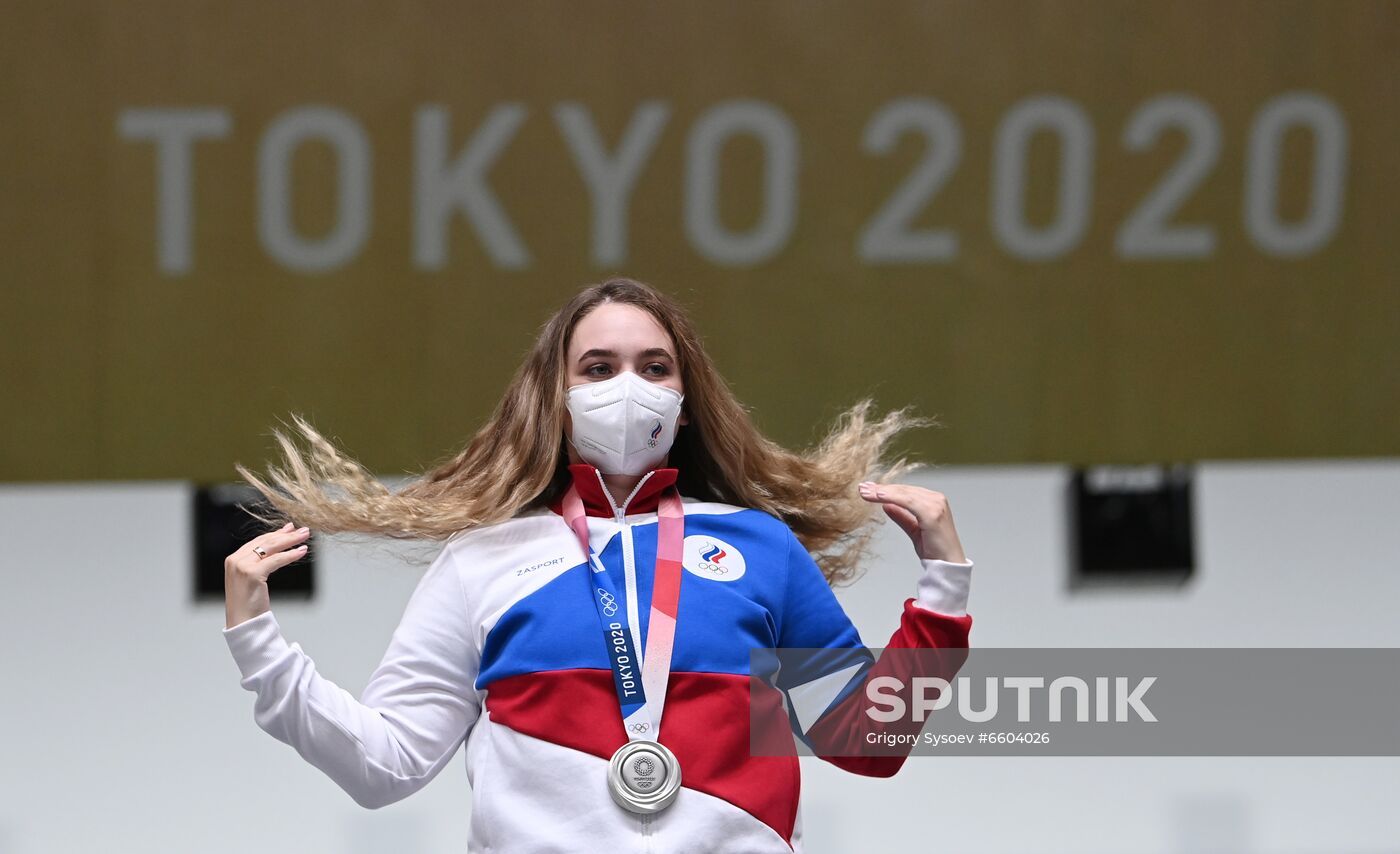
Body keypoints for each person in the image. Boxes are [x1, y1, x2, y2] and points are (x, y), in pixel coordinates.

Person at [222, 276, 976, 853]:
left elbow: (863, 744)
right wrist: (259, 643)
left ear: (684, 403)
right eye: (598, 367)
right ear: (556, 398)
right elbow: (383, 766)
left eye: (654, 367)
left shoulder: (760, 548)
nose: (627, 388)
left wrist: (943, 588)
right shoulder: (483, 559)